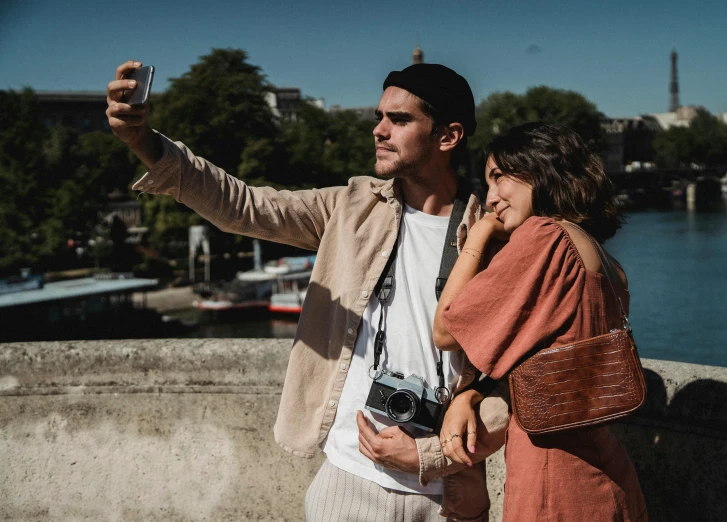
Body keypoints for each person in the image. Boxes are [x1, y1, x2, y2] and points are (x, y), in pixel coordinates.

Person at [106, 61, 509, 522]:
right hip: (348, 485)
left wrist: (431, 455)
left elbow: (515, 382)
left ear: (448, 136)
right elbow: (244, 205)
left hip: (451, 498)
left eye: (398, 120)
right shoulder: (351, 207)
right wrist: (144, 143)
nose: (378, 130)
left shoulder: (491, 235)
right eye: (378, 117)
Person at [432, 122, 648, 521]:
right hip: (606, 477)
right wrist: (475, 392)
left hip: (556, 483)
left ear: (539, 170)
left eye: (498, 178)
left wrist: (478, 233)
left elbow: (447, 330)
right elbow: (550, 359)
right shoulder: (602, 258)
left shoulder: (545, 237)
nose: (491, 197)